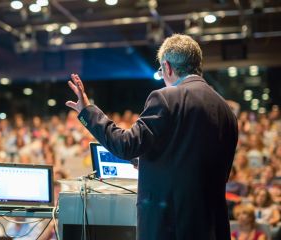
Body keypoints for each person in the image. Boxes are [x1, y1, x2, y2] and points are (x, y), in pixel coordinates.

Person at [66, 34, 238, 240]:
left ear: (167, 67)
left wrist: (87, 111)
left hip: (169, 226)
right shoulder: (226, 110)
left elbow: (125, 145)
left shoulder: (166, 97)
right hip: (212, 227)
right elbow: (196, 163)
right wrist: (148, 162)